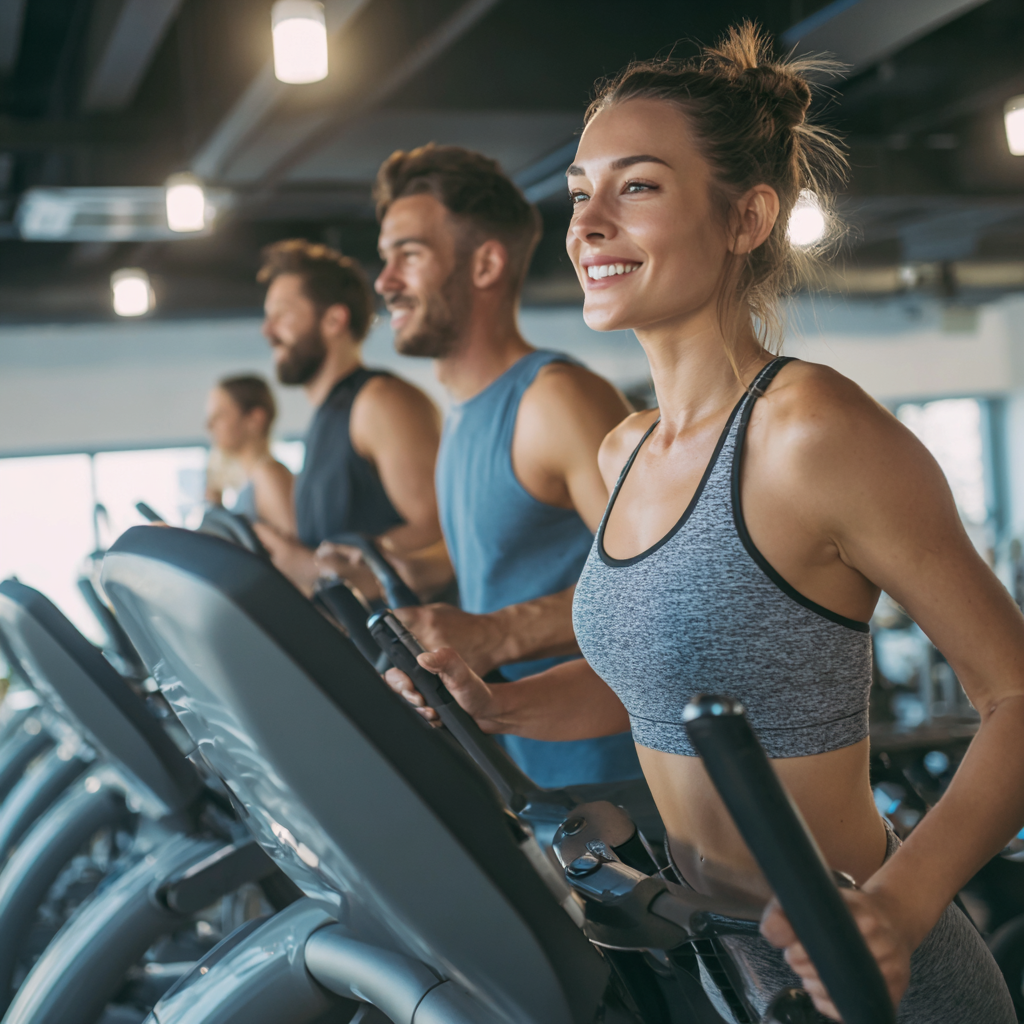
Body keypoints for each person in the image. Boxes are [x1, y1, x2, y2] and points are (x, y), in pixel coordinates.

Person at [385, 24, 1020, 1023]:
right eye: (581, 188)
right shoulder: (622, 450)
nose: (587, 220)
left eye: (635, 186)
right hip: (718, 963)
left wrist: (900, 902)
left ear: (745, 217)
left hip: (862, 977)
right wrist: (495, 707)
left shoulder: (810, 430)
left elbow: (1016, 695)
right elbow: (648, 689)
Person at [369, 143, 641, 789]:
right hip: (540, 772)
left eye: (408, 254)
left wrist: (496, 633)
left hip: (629, 782)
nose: (384, 282)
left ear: (486, 263)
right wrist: (406, 569)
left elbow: (661, 592)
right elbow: (517, 553)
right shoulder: (462, 413)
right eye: (385, 258)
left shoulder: (555, 400)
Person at [251, 239, 443, 596]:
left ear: (334, 320)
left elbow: (437, 532)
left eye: (282, 314)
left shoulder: (380, 400)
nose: (268, 331)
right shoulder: (325, 418)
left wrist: (314, 567)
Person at [205, 374, 295, 537]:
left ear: (255, 418)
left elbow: (293, 555)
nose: (209, 425)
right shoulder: (251, 481)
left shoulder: (269, 474)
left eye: (219, 415)